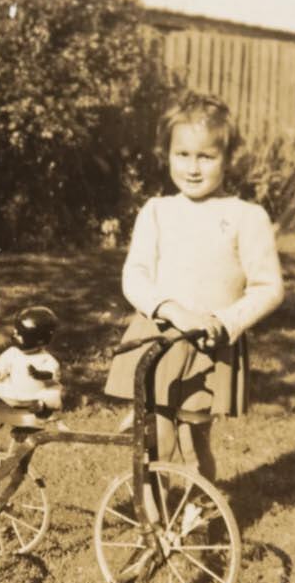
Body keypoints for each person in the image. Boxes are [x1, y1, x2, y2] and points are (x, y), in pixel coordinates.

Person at [103, 92, 284, 485]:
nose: (193, 168)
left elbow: (268, 287)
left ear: (228, 158)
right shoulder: (158, 212)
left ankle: (197, 515)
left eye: (206, 156)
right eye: (182, 154)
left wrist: (224, 321)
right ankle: (153, 524)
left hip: (208, 346)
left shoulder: (245, 217)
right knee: (157, 441)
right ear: (166, 153)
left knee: (195, 439)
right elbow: (134, 276)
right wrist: (170, 309)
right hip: (159, 338)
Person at [0, 306, 63, 413]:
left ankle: (40, 405)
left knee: (52, 395)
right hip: (16, 390)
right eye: (15, 332)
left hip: (37, 392)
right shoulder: (12, 352)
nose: (14, 335)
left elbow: (53, 374)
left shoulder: (45, 358)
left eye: (19, 334)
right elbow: (2, 367)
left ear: (38, 340)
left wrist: (39, 374)